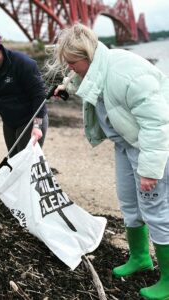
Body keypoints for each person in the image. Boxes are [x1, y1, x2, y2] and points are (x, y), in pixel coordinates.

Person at [47, 23, 169, 300]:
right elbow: (83, 78)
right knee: (128, 202)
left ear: (88, 55)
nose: (69, 68)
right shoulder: (96, 66)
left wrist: (150, 170)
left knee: (157, 211)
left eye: (71, 63)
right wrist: (64, 87)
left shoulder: (127, 74)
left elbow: (157, 124)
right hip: (125, 145)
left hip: (151, 147)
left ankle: (168, 280)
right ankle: (140, 257)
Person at [0, 31, 48, 157]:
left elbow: (39, 96)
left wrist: (37, 125)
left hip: (30, 120)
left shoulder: (23, 64)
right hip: (9, 121)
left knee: (26, 162)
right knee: (13, 161)